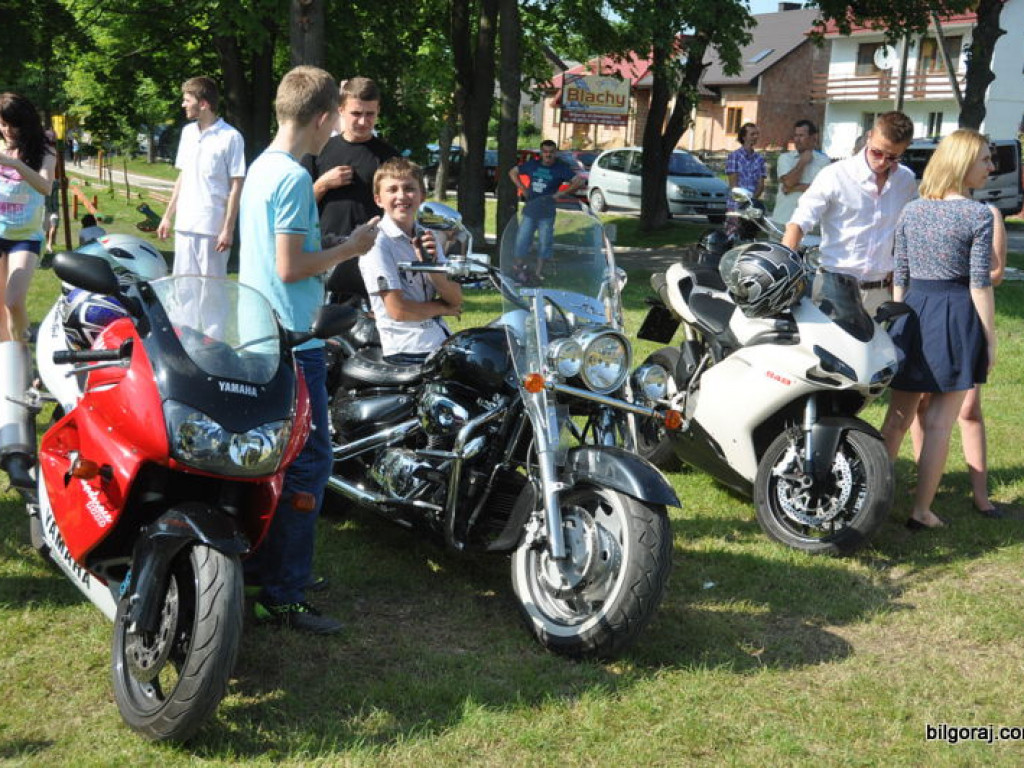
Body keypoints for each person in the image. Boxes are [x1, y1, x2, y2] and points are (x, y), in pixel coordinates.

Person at [238, 65, 380, 633]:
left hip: (258, 330)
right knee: (310, 462)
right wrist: (350, 246)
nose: (331, 140)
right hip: (294, 338)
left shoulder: (260, 167)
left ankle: (270, 568)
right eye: (331, 127)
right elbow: (290, 265)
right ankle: (284, 593)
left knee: (277, 460)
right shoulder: (295, 178)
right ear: (323, 117)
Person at [879, 129, 996, 531]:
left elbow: (901, 275)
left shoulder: (912, 210)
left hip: (913, 313)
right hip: (956, 315)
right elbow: (979, 283)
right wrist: (990, 339)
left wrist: (900, 318)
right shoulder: (978, 214)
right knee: (940, 424)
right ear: (964, 163)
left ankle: (869, 500)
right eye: (985, 159)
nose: (991, 166)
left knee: (896, 419)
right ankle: (921, 511)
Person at [909, 195, 1007, 518]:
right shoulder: (923, 208)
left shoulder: (987, 213)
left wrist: (955, 272)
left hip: (963, 313)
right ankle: (924, 491)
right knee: (921, 406)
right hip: (936, 310)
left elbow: (995, 272)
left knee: (969, 409)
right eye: (985, 161)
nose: (991, 168)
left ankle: (981, 495)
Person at [783, 111, 917, 316]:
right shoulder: (836, 174)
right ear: (869, 136)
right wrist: (783, 266)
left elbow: (907, 230)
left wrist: (900, 267)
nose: (882, 162)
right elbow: (800, 221)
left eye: (892, 157)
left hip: (880, 292)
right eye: (877, 152)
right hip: (835, 286)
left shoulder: (905, 180)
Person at [302, 77, 397, 301]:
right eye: (356, 113)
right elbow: (300, 208)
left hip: (372, 257)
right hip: (324, 255)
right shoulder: (318, 151)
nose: (363, 121)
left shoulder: (389, 157)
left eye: (370, 114)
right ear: (341, 109)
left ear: (378, 111)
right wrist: (323, 184)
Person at [360, 157, 461, 364]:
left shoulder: (427, 236)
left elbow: (456, 299)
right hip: (407, 349)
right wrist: (443, 308)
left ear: (422, 196)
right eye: (392, 190)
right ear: (378, 199)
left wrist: (432, 265)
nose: (401, 196)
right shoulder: (377, 243)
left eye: (409, 189)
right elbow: (398, 310)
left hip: (439, 340)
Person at [157, 77, 246, 284]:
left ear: (203, 103)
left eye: (187, 100)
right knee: (184, 287)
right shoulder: (188, 133)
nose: (183, 105)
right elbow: (183, 176)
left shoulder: (231, 137)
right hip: (185, 225)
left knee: (211, 293)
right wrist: (168, 216)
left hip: (212, 229)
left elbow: (236, 186)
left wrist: (228, 229)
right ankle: (183, 319)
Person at [0, 92, 57, 343]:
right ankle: (7, 366)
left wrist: (15, 164)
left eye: (13, 125)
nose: (8, 131)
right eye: (3, 124)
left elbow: (46, 187)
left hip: (25, 238)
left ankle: (21, 355)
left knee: (13, 302)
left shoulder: (44, 151)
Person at [508, 139, 583, 282]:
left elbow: (578, 180)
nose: (548, 155)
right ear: (541, 153)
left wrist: (561, 194)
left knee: (544, 242)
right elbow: (512, 172)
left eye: (551, 152)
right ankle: (518, 269)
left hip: (547, 212)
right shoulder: (533, 165)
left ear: (556, 153)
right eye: (545, 152)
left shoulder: (560, 168)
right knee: (522, 240)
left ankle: (538, 272)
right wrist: (522, 188)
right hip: (531, 210)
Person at [771, 119, 831, 230]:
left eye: (801, 136)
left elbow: (824, 191)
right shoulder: (785, 158)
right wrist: (802, 162)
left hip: (810, 224)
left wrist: (794, 188)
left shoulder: (824, 161)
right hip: (782, 220)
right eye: (795, 136)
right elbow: (788, 182)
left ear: (814, 137)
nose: (797, 140)